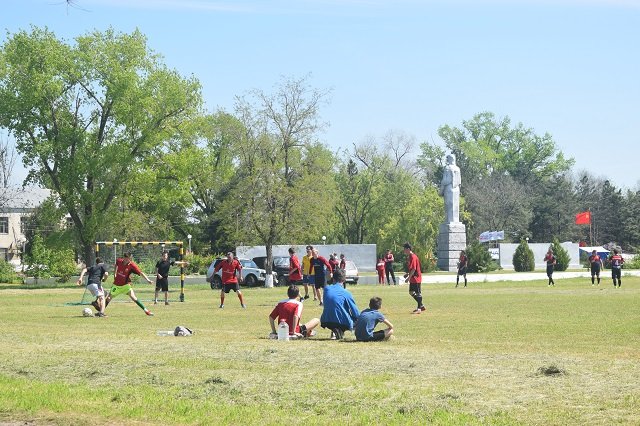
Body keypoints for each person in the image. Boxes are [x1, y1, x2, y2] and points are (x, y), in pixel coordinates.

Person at [320, 269, 360, 340]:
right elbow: (355, 312)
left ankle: (335, 331)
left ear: (333, 278)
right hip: (341, 321)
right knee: (356, 318)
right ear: (344, 280)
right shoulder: (346, 293)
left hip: (326, 320)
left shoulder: (326, 289)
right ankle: (340, 330)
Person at [438, 153, 462, 223]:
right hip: (457, 189)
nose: (447, 160)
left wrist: (441, 190)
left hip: (449, 188)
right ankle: (455, 221)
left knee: (448, 205)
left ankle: (449, 221)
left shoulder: (447, 168)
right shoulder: (458, 169)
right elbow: (459, 182)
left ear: (450, 159)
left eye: (448, 159)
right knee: (456, 206)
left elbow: (445, 180)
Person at [403, 242, 425, 314]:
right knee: (411, 292)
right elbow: (412, 269)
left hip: (416, 278)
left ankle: (419, 309)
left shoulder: (413, 256)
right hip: (413, 278)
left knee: (418, 293)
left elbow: (414, 269)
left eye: (405, 249)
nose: (404, 251)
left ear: (408, 249)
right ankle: (421, 305)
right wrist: (408, 274)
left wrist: (408, 278)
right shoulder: (410, 256)